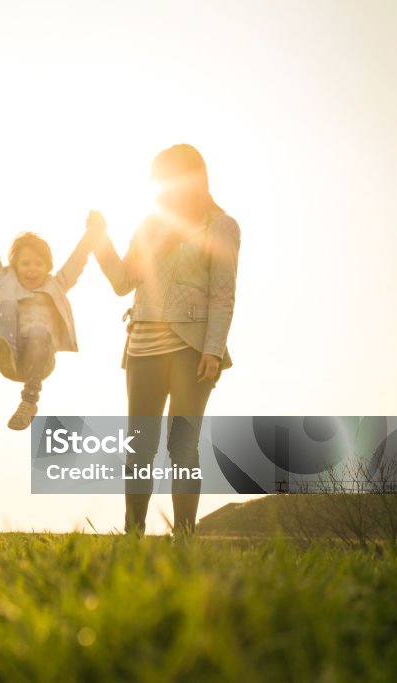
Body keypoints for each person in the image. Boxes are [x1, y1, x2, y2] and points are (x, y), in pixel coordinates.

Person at [91, 144, 241, 535]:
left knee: (183, 447)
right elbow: (123, 282)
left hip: (192, 348)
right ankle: (133, 534)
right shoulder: (150, 224)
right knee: (139, 446)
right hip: (142, 344)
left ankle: (184, 540)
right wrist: (100, 240)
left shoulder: (221, 226)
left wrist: (212, 349)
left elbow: (223, 294)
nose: (161, 187)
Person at [0, 201, 100, 430]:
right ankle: (7, 352)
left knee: (39, 330)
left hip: (41, 358)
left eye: (39, 264)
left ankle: (29, 401)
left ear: (48, 266)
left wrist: (93, 231)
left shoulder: (57, 284)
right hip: (11, 356)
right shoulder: (4, 279)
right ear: (15, 264)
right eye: (25, 263)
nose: (32, 269)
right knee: (7, 304)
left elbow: (77, 260)